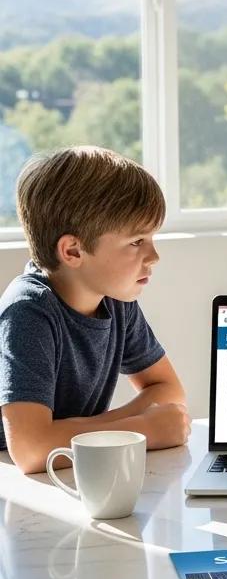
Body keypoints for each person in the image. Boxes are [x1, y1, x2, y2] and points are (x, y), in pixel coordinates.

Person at [0, 147, 190, 475]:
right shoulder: (27, 314)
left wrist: (89, 429)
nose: (154, 256)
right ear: (73, 250)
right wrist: (141, 429)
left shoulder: (116, 302)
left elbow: (169, 392)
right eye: (136, 241)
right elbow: (31, 450)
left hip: (68, 472)